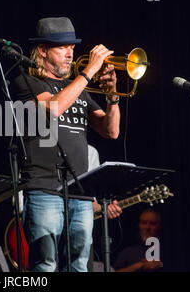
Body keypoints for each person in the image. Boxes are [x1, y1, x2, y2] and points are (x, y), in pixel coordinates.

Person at [12, 17, 122, 272]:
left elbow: (111, 131)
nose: (70, 53)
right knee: (46, 264)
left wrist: (113, 96)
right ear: (42, 50)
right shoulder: (26, 81)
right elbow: (53, 108)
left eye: (72, 47)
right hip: (43, 187)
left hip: (80, 189)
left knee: (80, 266)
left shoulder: (78, 89)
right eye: (62, 47)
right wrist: (88, 72)